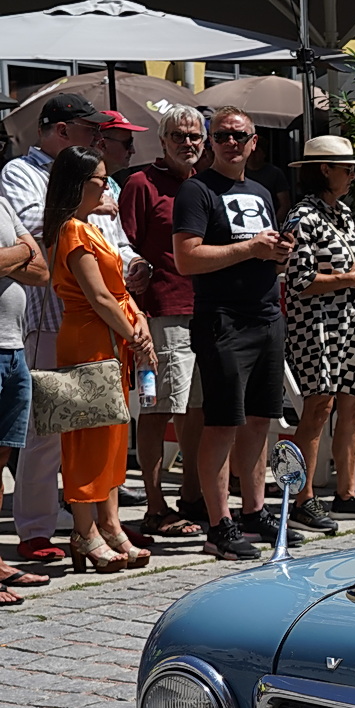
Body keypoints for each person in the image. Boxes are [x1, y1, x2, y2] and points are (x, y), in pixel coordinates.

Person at [172, 106, 296, 562]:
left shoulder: (260, 191)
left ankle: (254, 511)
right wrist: (251, 248)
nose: (230, 143)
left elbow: (262, 252)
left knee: (261, 420)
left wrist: (279, 252)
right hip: (223, 319)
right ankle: (218, 524)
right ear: (210, 142)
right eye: (221, 135)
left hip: (266, 314)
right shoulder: (196, 190)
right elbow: (187, 258)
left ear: (253, 142)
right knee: (223, 423)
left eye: (239, 136)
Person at [2, 93, 115, 562]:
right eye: (91, 129)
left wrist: (134, 263)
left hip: (98, 321)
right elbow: (36, 228)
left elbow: (116, 237)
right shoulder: (19, 173)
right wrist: (82, 207)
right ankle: (35, 530)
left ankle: (96, 525)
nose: (99, 138)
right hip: (50, 319)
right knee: (46, 432)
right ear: (63, 130)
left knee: (96, 426)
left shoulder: (99, 176)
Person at [44, 146, 154, 572]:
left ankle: (109, 525)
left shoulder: (91, 227)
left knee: (111, 435)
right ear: (78, 184)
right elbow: (100, 297)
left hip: (110, 337)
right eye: (100, 181)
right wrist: (135, 335)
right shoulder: (73, 230)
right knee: (88, 438)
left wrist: (137, 320)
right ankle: (84, 529)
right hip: (90, 340)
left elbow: (117, 292)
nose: (107, 188)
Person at [119, 105, 207, 540]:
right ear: (162, 140)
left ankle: (192, 495)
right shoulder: (141, 184)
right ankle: (155, 506)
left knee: (199, 409)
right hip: (162, 311)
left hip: (208, 310)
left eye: (194, 136)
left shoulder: (205, 183)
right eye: (178, 136)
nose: (187, 143)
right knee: (158, 408)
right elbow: (124, 245)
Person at [283, 136, 355, 531]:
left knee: (354, 404)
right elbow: (299, 280)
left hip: (351, 322)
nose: (352, 175)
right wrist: (349, 279)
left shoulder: (343, 213)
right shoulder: (303, 216)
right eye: (347, 168)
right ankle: (302, 498)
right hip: (317, 326)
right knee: (319, 407)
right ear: (324, 169)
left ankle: (347, 494)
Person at [0, 175, 49, 602]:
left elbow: (41, 270)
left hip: (13, 347)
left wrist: (15, 256)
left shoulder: (2, 203)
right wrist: (21, 251)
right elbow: (29, 256)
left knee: (1, 462)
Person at [245, 146, 293, 221]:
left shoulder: (275, 173)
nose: (252, 155)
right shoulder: (238, 173)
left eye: (256, 151)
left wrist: (274, 223)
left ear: (264, 154)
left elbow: (284, 204)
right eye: (250, 151)